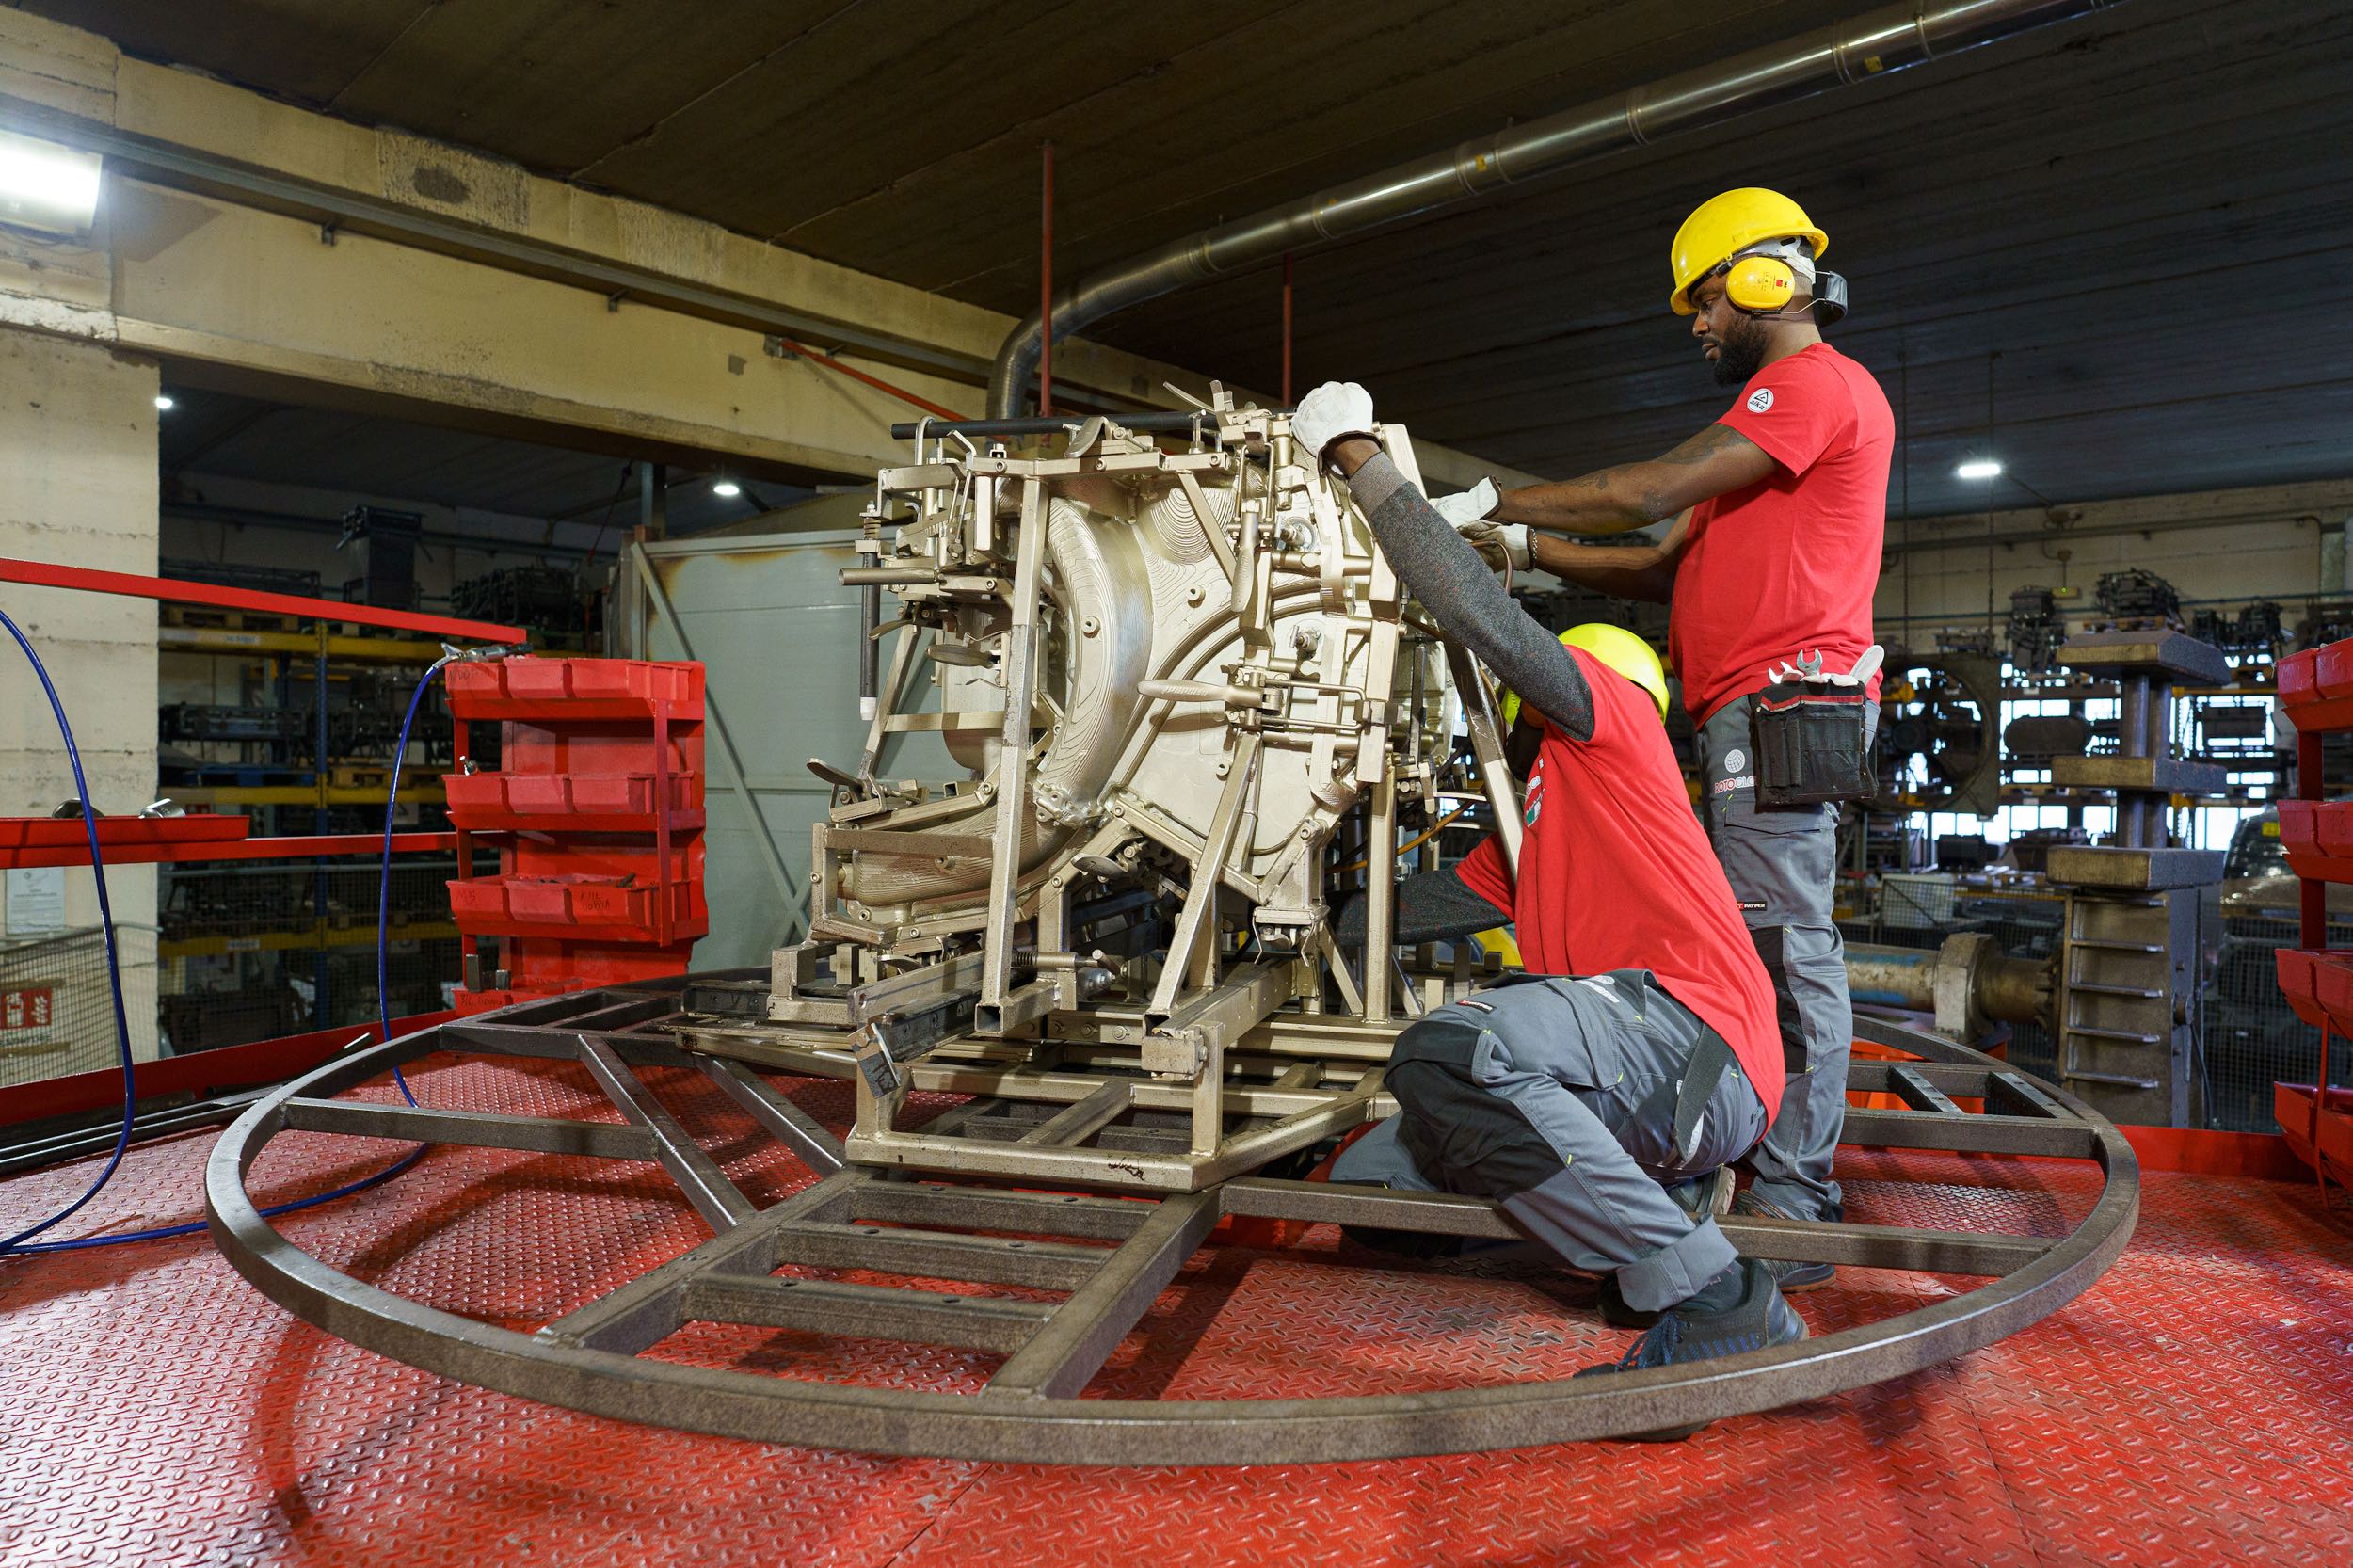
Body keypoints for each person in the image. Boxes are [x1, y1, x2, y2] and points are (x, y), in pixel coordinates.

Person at [1290, 378, 1802, 1387]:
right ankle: (1667, 1205)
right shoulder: (1534, 824)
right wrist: (1260, 903)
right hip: (1653, 1082)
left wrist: (1359, 459)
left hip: (1697, 1045)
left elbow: (1485, 620)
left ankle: (1714, 1295)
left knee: (1449, 1054)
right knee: (1368, 1190)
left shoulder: (1613, 724)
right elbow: (1405, 912)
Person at [1432, 187, 1895, 1265]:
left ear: (1761, 279)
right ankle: (1762, 1150)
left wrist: (1494, 501)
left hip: (1783, 700)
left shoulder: (1813, 386)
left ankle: (1793, 1186)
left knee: (1784, 944)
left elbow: (1646, 491)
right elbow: (1655, 561)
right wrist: (1523, 557)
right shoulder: (1760, 443)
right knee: (1753, 934)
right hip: (1742, 705)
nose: (1695, 326)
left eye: (1700, 301)